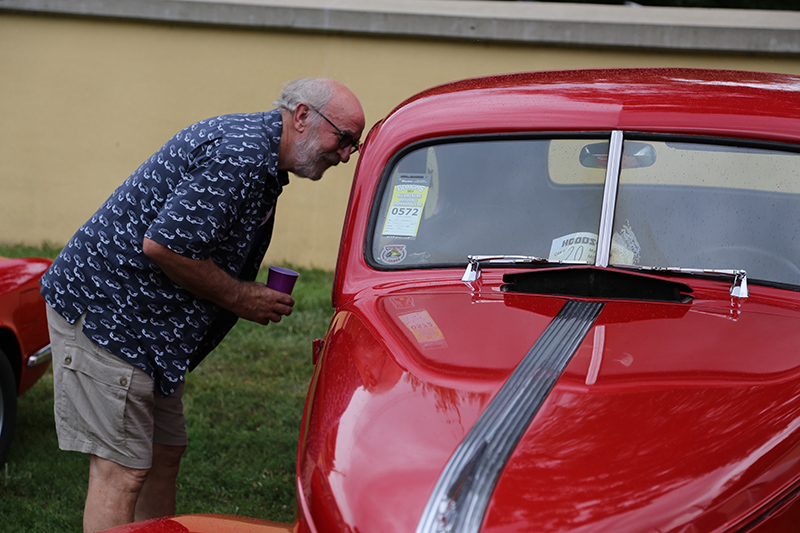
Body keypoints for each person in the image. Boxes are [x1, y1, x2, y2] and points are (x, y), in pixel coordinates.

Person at [39, 78, 365, 533]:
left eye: (355, 143)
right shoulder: (242, 156)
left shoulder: (263, 158)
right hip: (109, 318)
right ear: (304, 115)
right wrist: (240, 295)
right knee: (123, 470)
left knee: (163, 454)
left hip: (149, 330)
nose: (347, 155)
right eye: (344, 139)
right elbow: (165, 246)